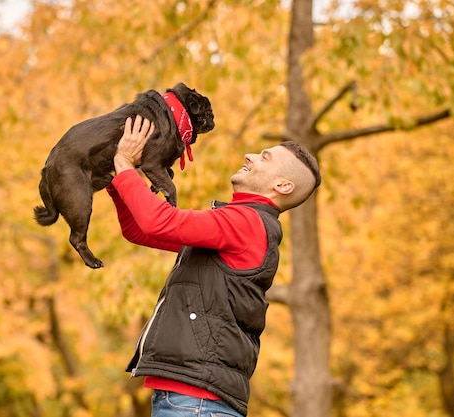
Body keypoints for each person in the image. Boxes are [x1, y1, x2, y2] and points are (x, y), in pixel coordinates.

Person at [107, 115, 321, 417]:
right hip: (189, 401)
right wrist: (116, 178)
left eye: (265, 157)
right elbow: (141, 230)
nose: (250, 155)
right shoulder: (239, 226)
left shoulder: (246, 223)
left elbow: (157, 221)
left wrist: (126, 165)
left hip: (195, 403)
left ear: (282, 185)